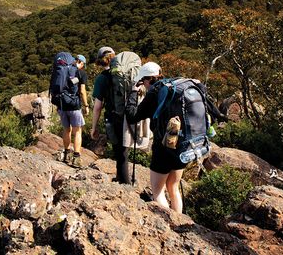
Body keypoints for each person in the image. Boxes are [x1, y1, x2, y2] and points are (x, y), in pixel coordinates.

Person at [125, 62, 225, 213]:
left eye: (142, 82)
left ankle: (166, 226)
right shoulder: (175, 86)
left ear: (148, 79)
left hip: (164, 148)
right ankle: (177, 223)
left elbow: (132, 116)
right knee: (173, 187)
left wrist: (133, 92)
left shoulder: (155, 92)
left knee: (158, 191)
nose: (143, 85)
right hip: (185, 146)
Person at [90, 46, 133, 184]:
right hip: (129, 116)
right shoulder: (126, 73)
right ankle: (121, 178)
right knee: (123, 151)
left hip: (113, 118)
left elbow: (97, 107)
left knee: (120, 153)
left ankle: (125, 183)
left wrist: (93, 127)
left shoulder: (102, 78)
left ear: (100, 61)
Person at [58, 56, 87, 167]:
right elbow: (82, 91)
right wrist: (86, 105)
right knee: (77, 131)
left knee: (66, 130)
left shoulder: (63, 70)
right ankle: (76, 158)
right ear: (81, 63)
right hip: (74, 106)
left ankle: (66, 155)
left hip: (62, 106)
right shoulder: (81, 73)